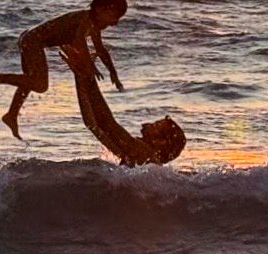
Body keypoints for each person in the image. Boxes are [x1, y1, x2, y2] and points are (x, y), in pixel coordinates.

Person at [0, 0, 127, 140]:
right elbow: (79, 41)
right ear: (102, 9)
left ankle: (11, 115)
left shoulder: (92, 26)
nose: (115, 23)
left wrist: (113, 73)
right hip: (34, 41)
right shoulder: (86, 19)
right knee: (40, 84)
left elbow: (101, 49)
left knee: (29, 81)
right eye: (115, 17)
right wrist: (90, 65)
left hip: (30, 38)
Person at [59, 38, 185, 166]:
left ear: (161, 142)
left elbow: (105, 124)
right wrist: (82, 77)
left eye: (155, 126)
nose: (145, 124)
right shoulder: (143, 158)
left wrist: (86, 76)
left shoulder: (143, 153)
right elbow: (94, 125)